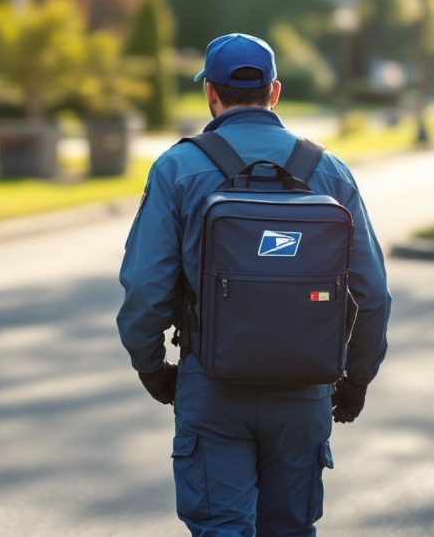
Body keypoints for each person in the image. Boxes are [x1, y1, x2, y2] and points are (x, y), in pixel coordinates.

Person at [117, 33, 391, 536]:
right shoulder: (327, 171)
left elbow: (143, 288)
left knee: (222, 527)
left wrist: (154, 370)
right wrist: (355, 382)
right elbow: (373, 295)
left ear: (210, 94)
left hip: (213, 385)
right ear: (275, 92)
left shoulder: (177, 168)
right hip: (304, 389)